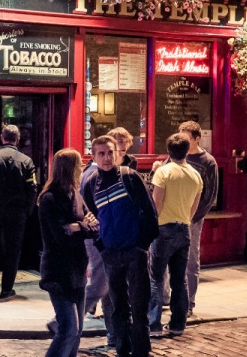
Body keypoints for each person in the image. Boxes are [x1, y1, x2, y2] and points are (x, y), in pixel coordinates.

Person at [82, 135, 158, 357]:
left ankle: (142, 351)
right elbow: (91, 221)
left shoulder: (129, 177)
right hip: (111, 254)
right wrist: (102, 247)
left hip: (134, 252)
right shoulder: (90, 185)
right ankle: (123, 350)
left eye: (110, 152)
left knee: (139, 306)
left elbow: (150, 212)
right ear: (94, 156)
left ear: (117, 153)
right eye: (101, 154)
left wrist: (142, 246)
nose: (106, 158)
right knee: (118, 308)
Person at [152, 120, 217, 316]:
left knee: (189, 262)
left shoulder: (208, 162)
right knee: (166, 267)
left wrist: (190, 218)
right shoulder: (174, 161)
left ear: (197, 139)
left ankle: (188, 303)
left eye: (187, 137)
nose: (183, 141)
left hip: (189, 220)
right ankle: (166, 300)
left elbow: (209, 195)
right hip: (173, 220)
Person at [38, 148, 99, 357]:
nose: (82, 169)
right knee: (68, 329)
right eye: (79, 165)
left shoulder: (76, 194)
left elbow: (95, 226)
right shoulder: (49, 199)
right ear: (69, 169)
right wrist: (82, 226)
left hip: (78, 270)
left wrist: (78, 226)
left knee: (78, 331)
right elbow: (60, 235)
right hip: (58, 271)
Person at [149, 133, 203, 338]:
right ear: (187, 151)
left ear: (169, 151)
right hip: (184, 229)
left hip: (163, 229)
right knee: (179, 279)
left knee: (155, 278)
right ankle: (178, 323)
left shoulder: (163, 173)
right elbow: (194, 208)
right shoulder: (195, 175)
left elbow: (157, 203)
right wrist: (184, 220)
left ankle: (153, 324)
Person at [0, 124, 38, 298]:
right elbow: (32, 188)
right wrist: (28, 211)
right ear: (17, 140)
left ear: (2, 138)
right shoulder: (26, 161)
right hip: (17, 212)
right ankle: (7, 287)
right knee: (13, 248)